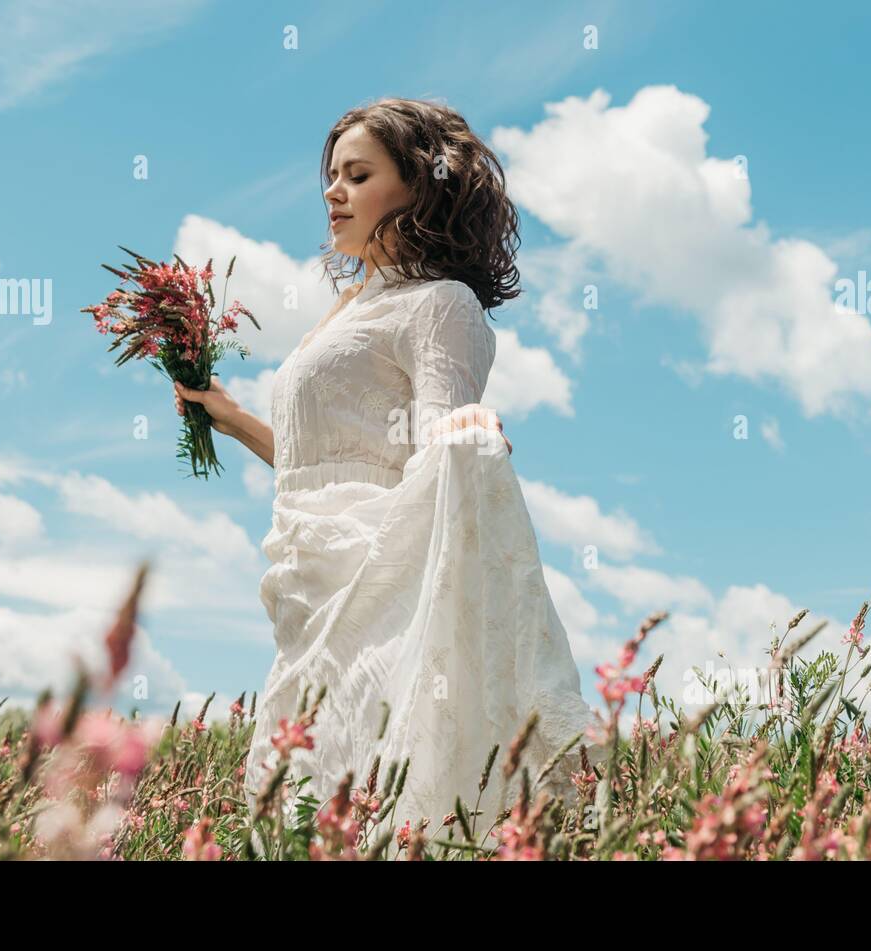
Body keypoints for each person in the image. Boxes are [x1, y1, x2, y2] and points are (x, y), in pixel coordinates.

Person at [174, 97, 604, 845]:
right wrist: (231, 415)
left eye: (358, 174)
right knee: (297, 802)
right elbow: (323, 462)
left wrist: (469, 433)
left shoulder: (441, 306)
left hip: (382, 587)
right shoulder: (345, 309)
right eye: (331, 175)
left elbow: (440, 439)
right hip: (307, 586)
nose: (333, 191)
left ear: (418, 187)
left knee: (371, 782)